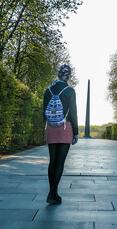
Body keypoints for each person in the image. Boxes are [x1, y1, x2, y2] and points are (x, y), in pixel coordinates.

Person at [43, 64, 78, 205]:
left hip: (51, 127)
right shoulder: (70, 91)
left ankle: (53, 193)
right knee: (60, 162)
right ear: (69, 76)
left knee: (52, 161)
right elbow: (73, 113)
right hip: (65, 126)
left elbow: (43, 112)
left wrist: (44, 129)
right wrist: (75, 133)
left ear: (58, 74)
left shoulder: (48, 90)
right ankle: (53, 193)